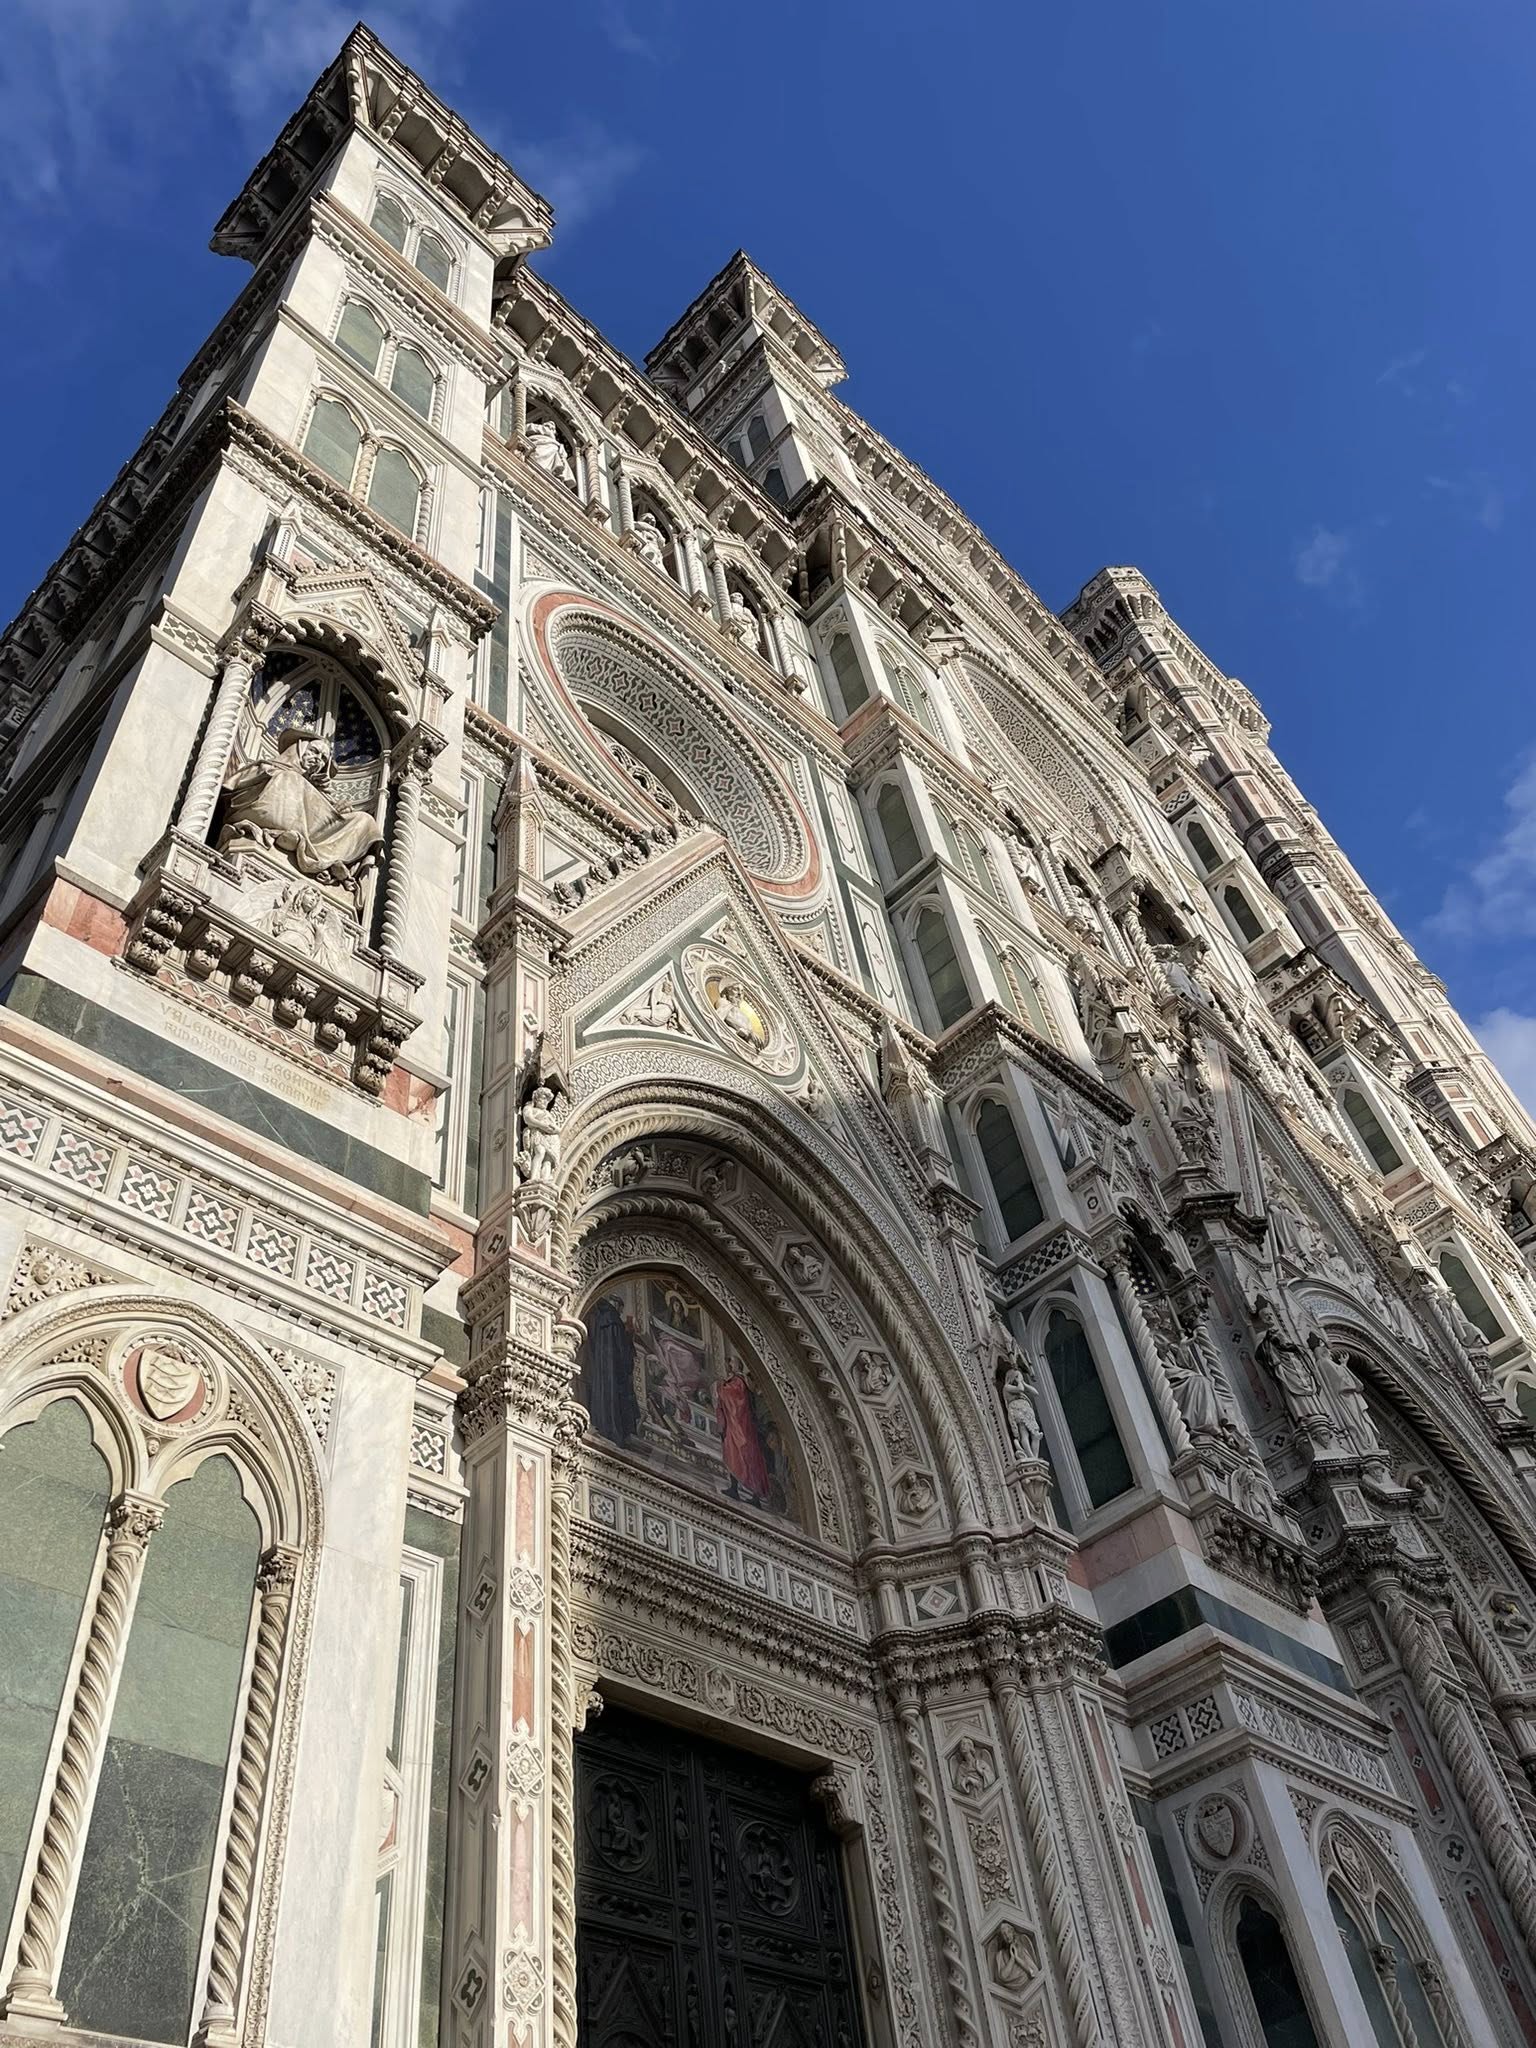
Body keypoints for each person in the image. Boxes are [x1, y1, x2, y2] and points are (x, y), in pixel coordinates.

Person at [220, 729, 383, 891]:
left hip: (314, 830)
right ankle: (310, 852)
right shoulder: (271, 767)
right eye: (314, 751)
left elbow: (322, 817)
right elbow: (238, 785)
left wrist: (339, 810)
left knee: (365, 820)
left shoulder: (320, 790)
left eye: (323, 758)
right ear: (299, 750)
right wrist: (299, 777)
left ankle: (316, 853)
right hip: (268, 807)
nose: (317, 759)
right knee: (291, 778)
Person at [581, 1294, 640, 1447]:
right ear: (616, 1305)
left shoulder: (601, 1317)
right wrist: (628, 1336)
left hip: (601, 1365)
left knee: (604, 1394)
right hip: (613, 1368)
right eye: (620, 1308)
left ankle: (602, 1425)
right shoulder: (614, 1320)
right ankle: (614, 1431)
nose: (621, 1311)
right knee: (615, 1397)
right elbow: (621, 1350)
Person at [715, 1357, 771, 1504]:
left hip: (742, 1427)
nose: (729, 1365)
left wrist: (721, 1387)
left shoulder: (739, 1381)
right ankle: (734, 1488)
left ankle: (756, 1497)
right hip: (733, 1427)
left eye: (731, 1363)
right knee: (732, 1456)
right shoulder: (734, 1380)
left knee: (747, 1459)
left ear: (737, 1365)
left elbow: (736, 1400)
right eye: (728, 1363)